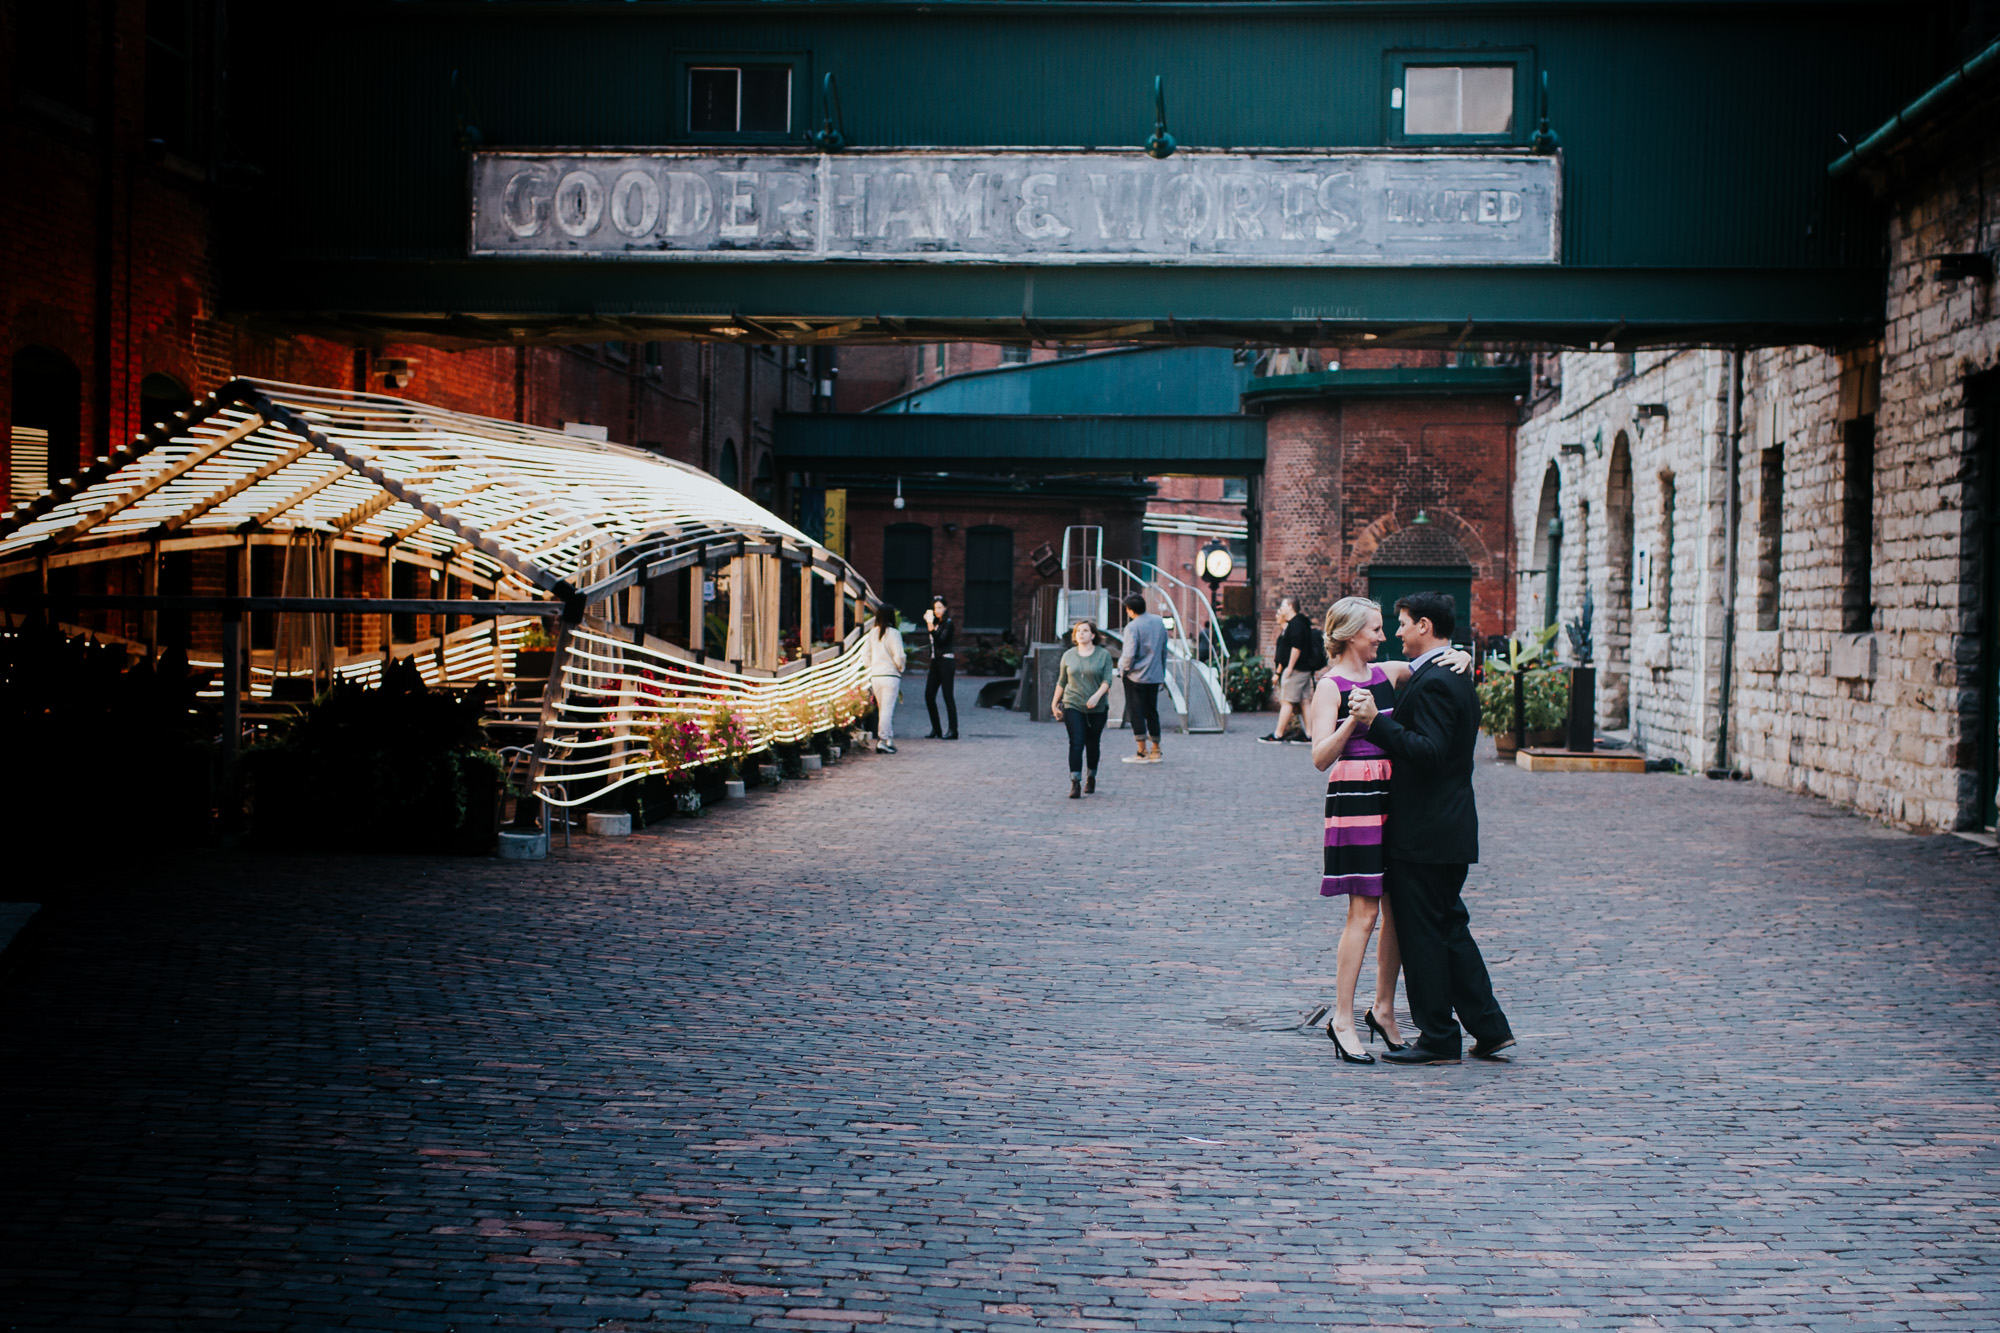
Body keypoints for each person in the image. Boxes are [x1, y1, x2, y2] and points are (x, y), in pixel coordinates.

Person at [1347, 591, 1515, 1065]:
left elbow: (1430, 751)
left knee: (1424, 935)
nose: (1395, 632)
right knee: (1449, 929)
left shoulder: (1440, 680)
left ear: (1424, 625)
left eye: (1400, 623)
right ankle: (1490, 1027)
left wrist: (1374, 724)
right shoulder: (1445, 672)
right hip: (1444, 828)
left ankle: (1439, 1037)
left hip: (1427, 833)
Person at [1307, 597, 1473, 1064]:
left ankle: (1383, 1008)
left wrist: (1461, 654)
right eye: (1374, 630)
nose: (1383, 637)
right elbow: (1320, 757)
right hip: (1356, 800)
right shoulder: (1328, 686)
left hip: (1395, 799)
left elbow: (1434, 659)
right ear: (1349, 634)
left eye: (1384, 628)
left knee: (1397, 909)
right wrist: (1353, 725)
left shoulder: (1389, 674)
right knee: (1363, 912)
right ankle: (1341, 1018)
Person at [1051, 618, 1115, 798]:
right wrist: (1054, 703)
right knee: (1076, 743)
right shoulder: (1068, 655)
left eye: (1085, 630)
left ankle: (1091, 777)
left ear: (1093, 635)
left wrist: (1097, 696)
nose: (1081, 633)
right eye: (1078, 631)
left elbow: (1107, 680)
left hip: (1097, 707)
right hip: (1073, 704)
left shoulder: (1103, 655)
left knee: (1092, 744)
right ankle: (1075, 782)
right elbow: (1062, 681)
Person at [1261, 597, 1323, 744]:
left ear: (1290, 606)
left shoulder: (1296, 624)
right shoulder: (1300, 623)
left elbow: (1296, 647)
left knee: (1287, 701)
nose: (1281, 608)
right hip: (1304, 669)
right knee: (1304, 701)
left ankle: (1278, 734)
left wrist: (1289, 667)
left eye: (1283, 605)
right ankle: (1309, 734)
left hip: (1297, 669)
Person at [1116, 592, 1167, 764]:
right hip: (1154, 675)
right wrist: (1162, 672)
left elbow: (1129, 655)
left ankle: (1141, 751)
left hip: (1136, 677)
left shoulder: (1132, 627)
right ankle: (1156, 749)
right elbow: (1163, 650)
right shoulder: (1159, 622)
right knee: (1152, 711)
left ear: (1130, 610)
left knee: (1136, 712)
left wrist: (1122, 669)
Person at [866, 604, 907, 754]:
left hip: (876, 675)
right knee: (887, 710)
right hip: (890, 675)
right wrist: (900, 667)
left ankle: (889, 739)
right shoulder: (894, 633)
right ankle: (882, 740)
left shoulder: (872, 633)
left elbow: (866, 654)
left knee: (883, 708)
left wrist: (871, 668)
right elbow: (899, 656)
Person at [922, 596, 959, 740]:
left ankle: (953, 730)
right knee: (929, 695)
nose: (937, 611)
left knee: (947, 695)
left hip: (946, 661)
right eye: (935, 608)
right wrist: (931, 625)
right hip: (935, 661)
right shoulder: (936, 623)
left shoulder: (948, 624)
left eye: (940, 607)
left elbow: (941, 640)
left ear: (945, 608)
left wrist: (930, 626)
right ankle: (936, 728)